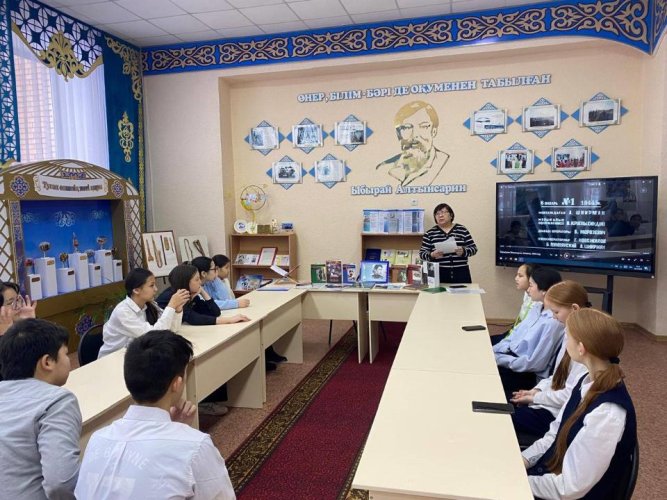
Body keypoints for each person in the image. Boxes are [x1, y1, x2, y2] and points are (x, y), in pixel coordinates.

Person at [75, 330, 236, 500]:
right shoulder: (196, 446)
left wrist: (175, 429)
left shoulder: (97, 439)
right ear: (177, 384)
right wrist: (178, 432)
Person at [523, 309, 637, 499]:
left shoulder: (607, 413)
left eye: (567, 337)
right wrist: (524, 460)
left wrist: (519, 482)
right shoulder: (585, 381)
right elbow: (555, 434)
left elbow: (570, 488)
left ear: (581, 348)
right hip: (550, 477)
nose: (565, 342)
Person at [0, 319, 81, 499]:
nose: (68, 359)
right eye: (65, 354)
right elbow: (61, 483)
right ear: (47, 362)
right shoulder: (57, 402)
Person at [510, 281, 591, 442]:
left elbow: (570, 396)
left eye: (556, 312)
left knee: (501, 419)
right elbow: (557, 375)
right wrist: (536, 391)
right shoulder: (570, 332)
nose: (553, 317)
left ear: (574, 308)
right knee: (502, 406)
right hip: (548, 402)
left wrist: (535, 398)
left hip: (558, 416)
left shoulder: (583, 346)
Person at [493, 267, 564, 395]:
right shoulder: (536, 308)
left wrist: (498, 359)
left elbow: (534, 363)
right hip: (510, 359)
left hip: (525, 373)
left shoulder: (553, 322)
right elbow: (513, 336)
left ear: (544, 291)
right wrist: (494, 351)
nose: (528, 289)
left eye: (531, 285)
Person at [98, 268, 189, 358]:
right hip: (111, 359)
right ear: (136, 290)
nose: (156, 289)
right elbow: (154, 335)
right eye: (151, 285)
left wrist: (178, 310)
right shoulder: (123, 311)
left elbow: (171, 330)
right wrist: (171, 306)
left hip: (134, 356)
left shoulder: (150, 305)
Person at [375, 100, 450, 187]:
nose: (415, 136)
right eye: (407, 128)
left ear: (433, 131)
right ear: (399, 134)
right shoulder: (383, 169)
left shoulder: (446, 164)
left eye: (423, 126)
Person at [157, 264, 249, 327]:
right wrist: (229, 320)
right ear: (186, 282)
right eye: (197, 280)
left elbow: (215, 312)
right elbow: (193, 319)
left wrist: (203, 292)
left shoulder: (191, 292)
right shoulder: (175, 295)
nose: (200, 282)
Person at [418, 203, 478, 284]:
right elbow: (422, 254)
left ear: (451, 215)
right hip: (439, 273)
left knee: (464, 292)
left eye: (443, 212)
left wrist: (463, 251)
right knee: (441, 292)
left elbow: (473, 249)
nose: (440, 215)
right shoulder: (430, 233)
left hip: (461, 272)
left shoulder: (462, 230)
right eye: (437, 214)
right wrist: (432, 255)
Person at [490, 263, 535, 346]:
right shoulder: (527, 294)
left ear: (531, 279)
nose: (516, 278)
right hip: (515, 331)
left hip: (519, 338)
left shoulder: (536, 303)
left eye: (520, 276)